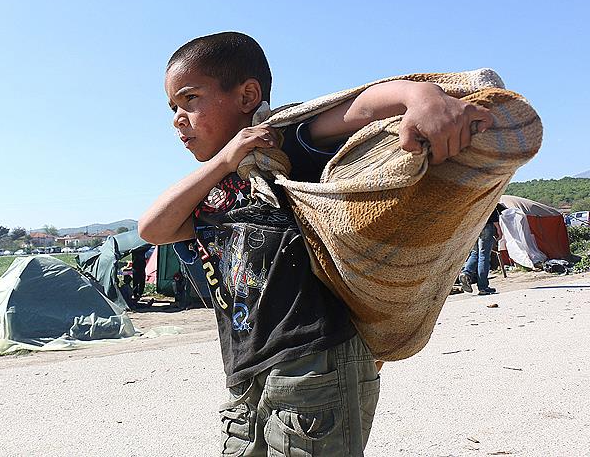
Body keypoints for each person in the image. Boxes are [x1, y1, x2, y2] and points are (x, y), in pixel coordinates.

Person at [139, 32, 493, 456]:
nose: (178, 119)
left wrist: (421, 96)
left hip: (314, 360)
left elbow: (359, 107)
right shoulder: (211, 191)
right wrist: (225, 160)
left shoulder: (283, 144)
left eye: (190, 99)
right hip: (245, 368)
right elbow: (152, 228)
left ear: (248, 95)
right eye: (173, 108)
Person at [460, 205, 504, 295]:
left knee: (475, 253)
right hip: (486, 224)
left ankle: (466, 273)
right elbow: (491, 208)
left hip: (473, 226)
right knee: (484, 255)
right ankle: (483, 287)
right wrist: (498, 227)